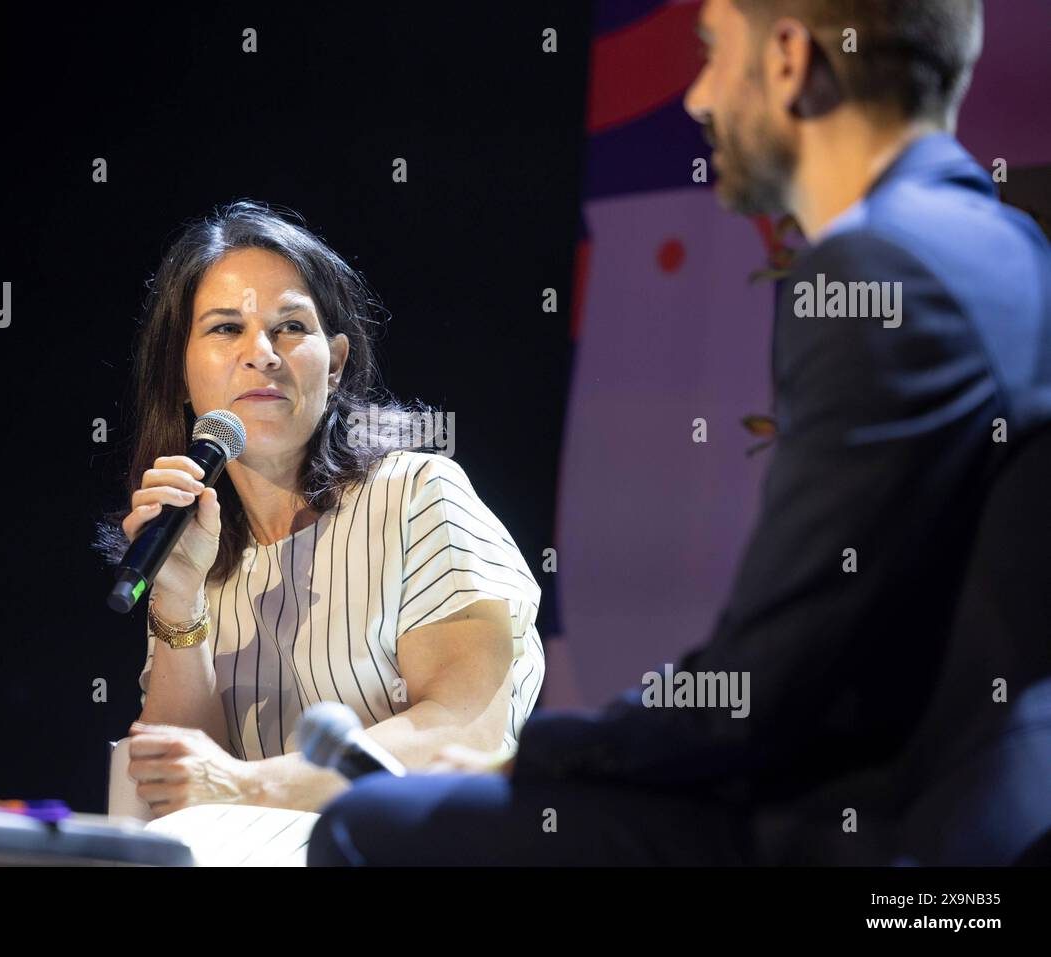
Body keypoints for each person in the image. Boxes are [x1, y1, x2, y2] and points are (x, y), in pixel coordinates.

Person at [309, 0, 1051, 865]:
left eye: (710, 53)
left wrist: (545, 754)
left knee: (370, 828)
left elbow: (773, 679)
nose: (697, 97)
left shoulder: (878, 271)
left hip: (897, 844)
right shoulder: (1015, 252)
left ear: (785, 60)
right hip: (970, 813)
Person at [97, 201, 545, 815]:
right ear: (179, 373)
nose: (263, 353)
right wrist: (178, 599)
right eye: (226, 328)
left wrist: (248, 785)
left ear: (334, 363)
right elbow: (178, 794)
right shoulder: (190, 546)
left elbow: (462, 729)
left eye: (290, 327)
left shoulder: (416, 495)